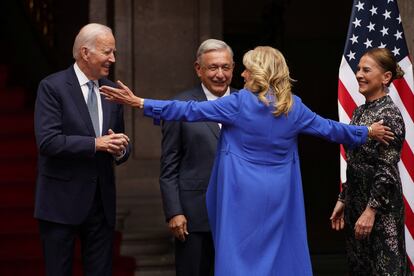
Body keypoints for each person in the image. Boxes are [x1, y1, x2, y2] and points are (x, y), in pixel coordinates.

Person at [100, 46, 393, 275]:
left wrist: (141, 103)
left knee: (239, 254)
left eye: (247, 70)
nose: (241, 75)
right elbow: (330, 129)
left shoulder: (238, 103)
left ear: (261, 73)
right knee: (277, 253)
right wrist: (366, 131)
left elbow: (189, 110)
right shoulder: (294, 106)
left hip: (241, 194)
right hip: (279, 195)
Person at [34, 23, 130, 276]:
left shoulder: (112, 91)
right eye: (107, 52)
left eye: (114, 52)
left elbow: (118, 140)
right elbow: (48, 141)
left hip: (101, 204)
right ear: (85, 53)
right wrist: (95, 144)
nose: (113, 58)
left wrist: (120, 149)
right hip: (60, 203)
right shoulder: (52, 87)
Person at [160, 39, 237, 276]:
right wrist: (174, 211)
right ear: (198, 69)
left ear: (233, 68)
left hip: (239, 215)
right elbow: (169, 165)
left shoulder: (248, 102)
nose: (220, 74)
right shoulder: (180, 106)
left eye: (225, 67)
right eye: (213, 67)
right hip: (194, 217)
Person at [330, 48, 408, 275]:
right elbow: (355, 161)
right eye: (357, 69)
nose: (358, 75)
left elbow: (386, 170)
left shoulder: (390, 114)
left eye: (366, 70)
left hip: (380, 211)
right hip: (356, 206)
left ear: (386, 77)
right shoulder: (359, 112)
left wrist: (371, 211)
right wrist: (343, 198)